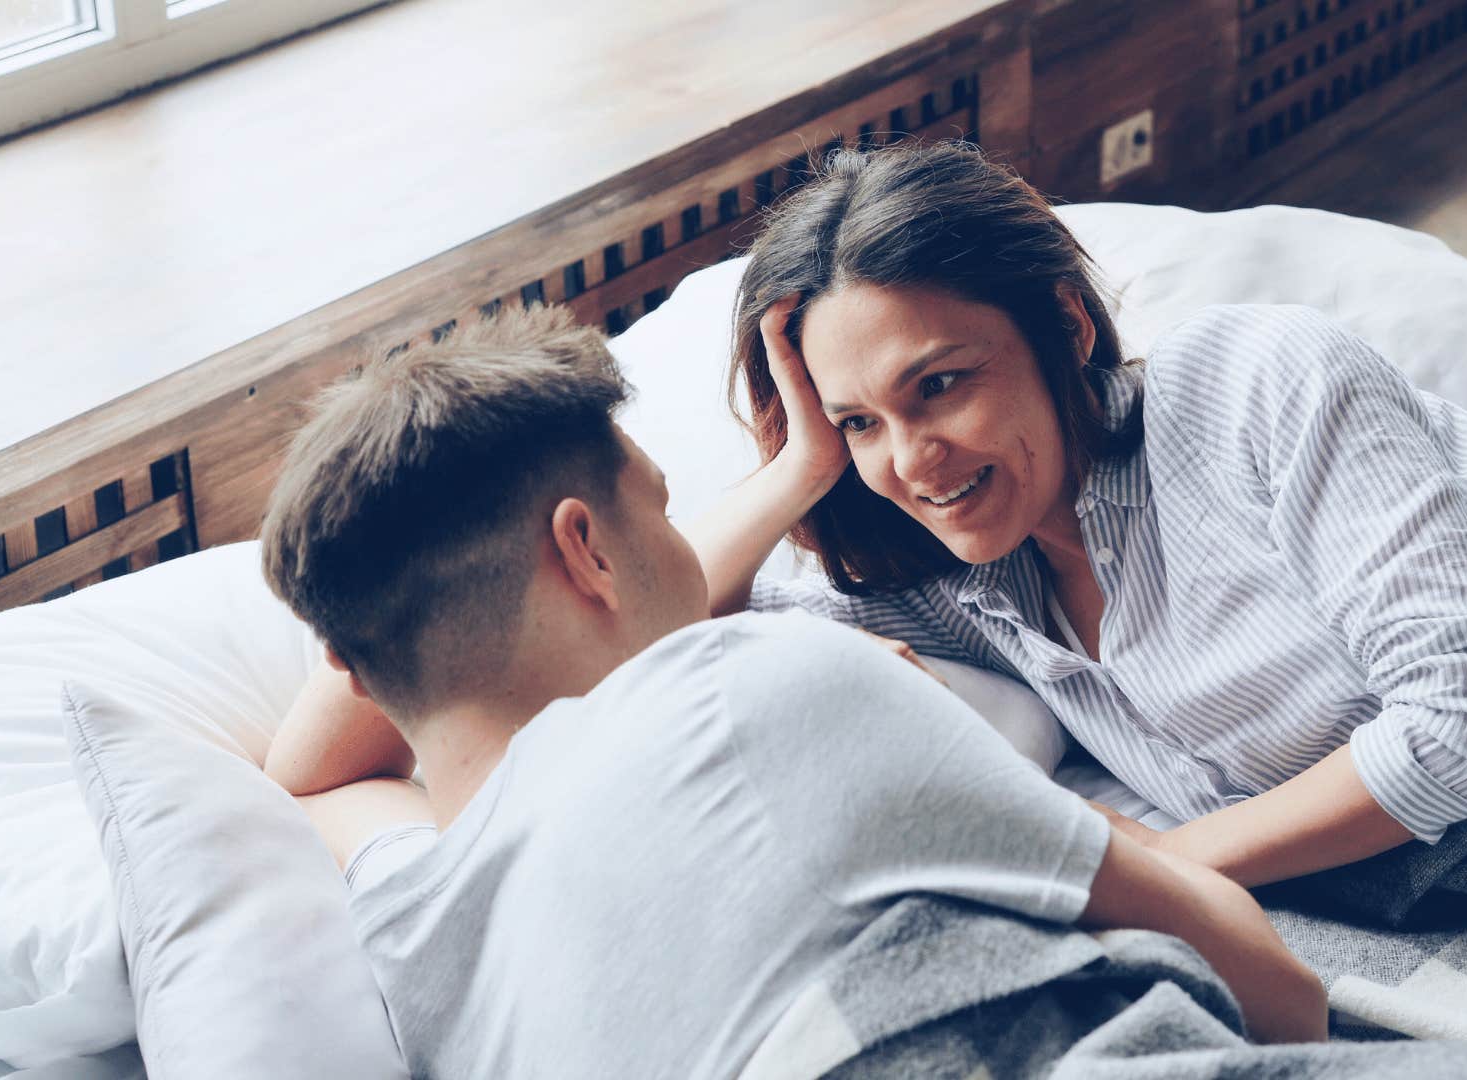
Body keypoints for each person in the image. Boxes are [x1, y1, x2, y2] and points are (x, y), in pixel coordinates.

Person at [257, 304, 1327, 1077]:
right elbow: (1274, 986)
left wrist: (364, 614)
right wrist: (792, 480)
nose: (686, 547)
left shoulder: (414, 915)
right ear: (584, 549)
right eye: (664, 511)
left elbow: (309, 772)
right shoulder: (744, 690)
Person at [686, 141, 1467, 889]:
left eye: (940, 384)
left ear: (1065, 326)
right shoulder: (961, 588)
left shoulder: (1251, 376)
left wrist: (1159, 870)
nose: (912, 461)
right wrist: (799, 469)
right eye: (859, 422)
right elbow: (667, 645)